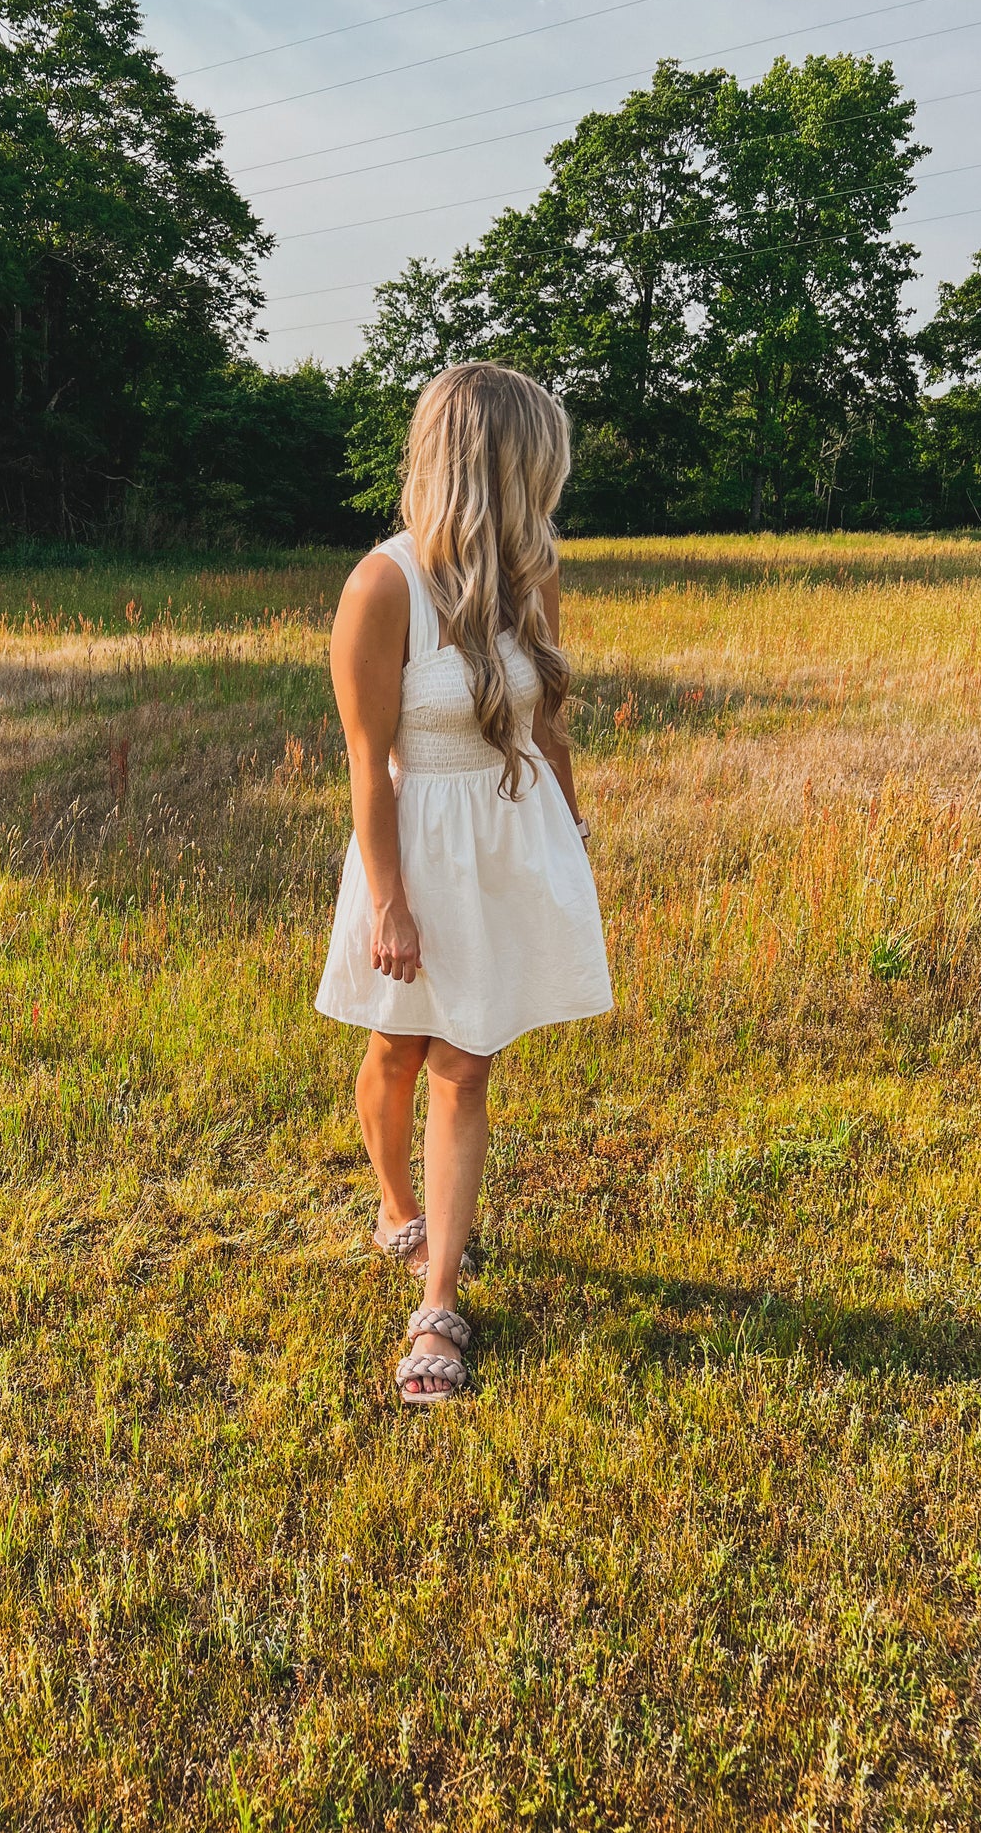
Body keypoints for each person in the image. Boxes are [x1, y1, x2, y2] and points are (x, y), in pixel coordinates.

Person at [315, 361, 613, 1405]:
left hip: (502, 838)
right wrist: (388, 900)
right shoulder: (381, 584)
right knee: (395, 1044)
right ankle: (393, 1206)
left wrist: (570, 834)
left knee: (464, 1061)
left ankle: (436, 1298)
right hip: (412, 842)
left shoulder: (533, 570)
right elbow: (364, 761)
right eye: (538, 457)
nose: (551, 477)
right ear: (493, 461)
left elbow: (546, 721)